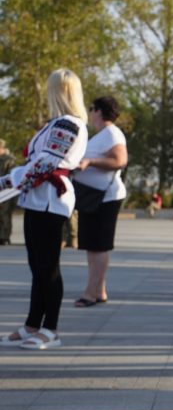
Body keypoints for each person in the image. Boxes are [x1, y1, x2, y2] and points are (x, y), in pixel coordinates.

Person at [0, 68, 88, 350]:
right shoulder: (58, 123)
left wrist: (5, 183)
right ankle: (31, 325)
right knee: (37, 266)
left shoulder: (69, 123)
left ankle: (51, 329)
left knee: (48, 267)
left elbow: (45, 163)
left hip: (51, 200)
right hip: (39, 198)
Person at [74, 95, 129, 308]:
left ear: (99, 111)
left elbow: (120, 160)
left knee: (99, 246)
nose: (89, 112)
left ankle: (91, 292)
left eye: (91, 108)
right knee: (92, 246)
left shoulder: (112, 133)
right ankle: (99, 290)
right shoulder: (103, 135)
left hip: (104, 197)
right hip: (93, 196)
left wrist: (90, 161)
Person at [0, 138, 15, 245]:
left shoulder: (9, 160)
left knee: (4, 214)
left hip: (5, 191)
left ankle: (4, 236)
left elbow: (11, 176)